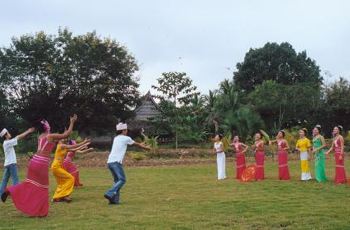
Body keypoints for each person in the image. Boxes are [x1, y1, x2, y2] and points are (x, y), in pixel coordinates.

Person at [1, 115, 77, 217]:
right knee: (43, 188)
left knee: (30, 184)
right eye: (47, 123)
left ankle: (9, 190)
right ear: (46, 126)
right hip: (41, 164)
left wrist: (64, 133)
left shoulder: (40, 137)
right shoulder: (50, 136)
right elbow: (66, 135)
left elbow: (61, 138)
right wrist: (72, 122)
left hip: (34, 162)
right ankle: (41, 212)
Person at [104, 122, 150, 205]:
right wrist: (146, 148)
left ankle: (114, 200)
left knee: (117, 181)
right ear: (123, 131)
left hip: (110, 162)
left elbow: (135, 144)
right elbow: (136, 144)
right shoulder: (126, 138)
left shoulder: (116, 138)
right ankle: (109, 193)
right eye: (126, 130)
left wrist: (140, 144)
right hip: (116, 162)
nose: (127, 131)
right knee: (122, 180)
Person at [52, 138, 91, 202]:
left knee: (62, 182)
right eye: (62, 139)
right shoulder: (61, 145)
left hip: (58, 166)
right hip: (56, 166)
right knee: (71, 178)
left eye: (64, 139)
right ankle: (65, 195)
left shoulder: (64, 147)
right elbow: (73, 146)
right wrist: (84, 142)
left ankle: (58, 197)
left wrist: (85, 144)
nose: (64, 139)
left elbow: (75, 149)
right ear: (59, 140)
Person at [0, 127, 35, 195]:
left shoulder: (6, 143)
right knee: (15, 180)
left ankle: (1, 193)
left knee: (5, 180)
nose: (10, 134)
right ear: (6, 135)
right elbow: (18, 137)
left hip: (8, 164)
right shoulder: (7, 142)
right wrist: (28, 131)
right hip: (11, 164)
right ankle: (18, 194)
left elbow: (16, 137)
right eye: (8, 133)